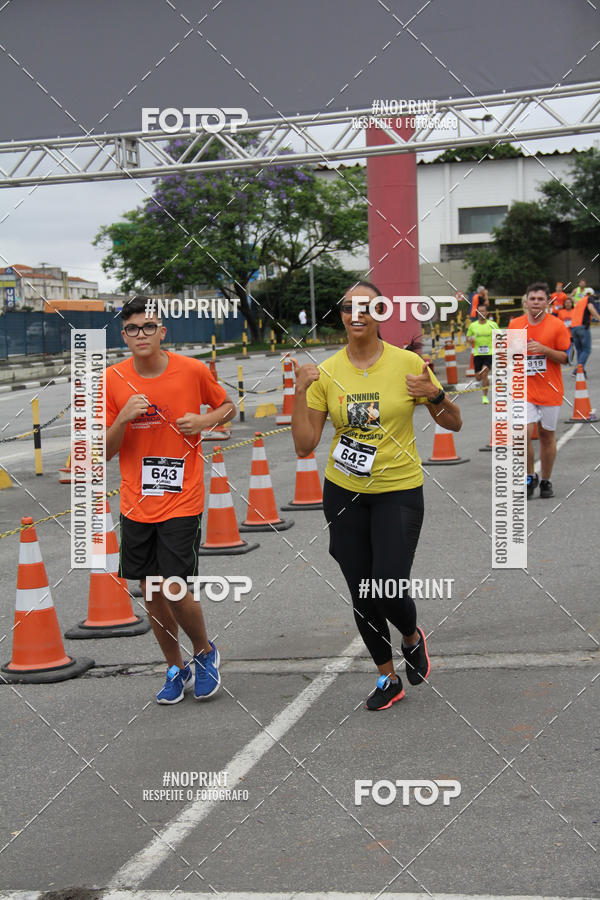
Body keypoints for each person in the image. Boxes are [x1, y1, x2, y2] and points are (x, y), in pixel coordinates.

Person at [291, 281, 462, 711]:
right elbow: (304, 445)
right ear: (341, 315)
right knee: (361, 591)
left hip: (398, 490)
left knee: (387, 585)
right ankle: (387, 677)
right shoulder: (326, 372)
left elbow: (453, 422)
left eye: (366, 307)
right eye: (348, 307)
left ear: (382, 312)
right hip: (343, 492)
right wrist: (299, 390)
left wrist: (435, 394)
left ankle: (411, 636)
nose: (357, 314)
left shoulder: (408, 364)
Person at [105, 296, 236, 704]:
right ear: (124, 335)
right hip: (135, 501)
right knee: (151, 590)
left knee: (174, 586)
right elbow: (103, 451)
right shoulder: (112, 379)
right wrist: (122, 418)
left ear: (162, 331)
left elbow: (228, 407)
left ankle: (205, 652)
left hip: (182, 498)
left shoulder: (191, 370)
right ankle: (175, 668)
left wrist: (204, 420)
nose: (141, 334)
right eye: (132, 328)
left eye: (149, 327)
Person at [508, 282, 570, 500]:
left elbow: (566, 357)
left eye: (540, 299)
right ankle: (529, 476)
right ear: (526, 302)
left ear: (547, 302)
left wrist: (544, 350)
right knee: (521, 434)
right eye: (532, 299)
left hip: (550, 390)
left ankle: (546, 480)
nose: (536, 302)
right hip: (523, 390)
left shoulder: (557, 325)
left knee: (546, 436)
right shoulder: (515, 324)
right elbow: (507, 355)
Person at [466, 302, 499, 404]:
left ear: (487, 313)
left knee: (484, 373)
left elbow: (500, 337)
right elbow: (467, 337)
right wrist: (470, 339)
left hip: (489, 353)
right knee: (478, 377)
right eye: (479, 311)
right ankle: (483, 382)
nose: (481, 313)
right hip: (478, 354)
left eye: (483, 311)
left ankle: (484, 396)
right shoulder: (473, 325)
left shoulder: (493, 324)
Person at [569, 289, 600, 375]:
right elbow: (590, 308)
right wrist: (599, 318)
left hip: (573, 327)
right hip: (582, 326)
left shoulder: (580, 301)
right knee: (586, 349)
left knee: (580, 350)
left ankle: (580, 371)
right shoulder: (589, 298)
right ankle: (577, 369)